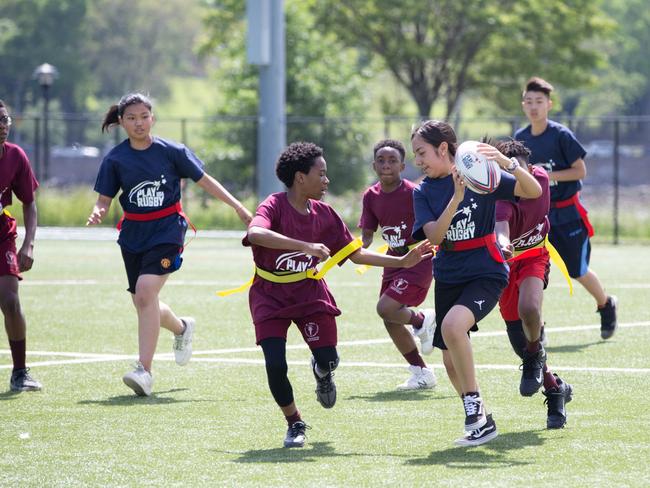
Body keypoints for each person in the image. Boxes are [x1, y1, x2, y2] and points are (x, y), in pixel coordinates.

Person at [244, 141, 432, 448]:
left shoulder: (325, 214)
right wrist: (304, 246)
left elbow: (355, 255)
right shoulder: (275, 205)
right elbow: (255, 234)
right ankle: (294, 422)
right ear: (300, 177)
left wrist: (400, 261)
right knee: (276, 365)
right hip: (269, 295)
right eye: (322, 173)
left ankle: (322, 371)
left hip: (309, 293)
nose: (327, 180)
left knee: (328, 360)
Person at [87, 93, 252, 397]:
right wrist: (98, 210)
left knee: (146, 292)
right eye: (132, 118)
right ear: (122, 122)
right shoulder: (115, 159)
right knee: (142, 301)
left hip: (167, 231)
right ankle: (181, 328)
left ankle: (144, 371)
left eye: (144, 116)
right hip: (133, 234)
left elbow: (205, 180)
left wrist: (237, 206)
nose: (139, 123)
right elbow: (104, 198)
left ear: (153, 118)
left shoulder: (172, 151)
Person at [411, 120, 542, 446]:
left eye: (421, 152)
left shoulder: (480, 174)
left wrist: (504, 162)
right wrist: (455, 199)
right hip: (449, 274)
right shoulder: (423, 191)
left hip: (486, 269)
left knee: (453, 327)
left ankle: (472, 407)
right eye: (415, 154)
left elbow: (533, 191)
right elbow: (436, 236)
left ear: (443, 148)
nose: (418, 161)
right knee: (448, 359)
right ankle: (482, 421)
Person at [515, 77, 617, 339]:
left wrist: (548, 177)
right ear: (523, 104)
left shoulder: (561, 135)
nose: (533, 106)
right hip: (539, 215)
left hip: (568, 214)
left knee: (577, 270)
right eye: (529, 101)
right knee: (533, 271)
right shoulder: (521, 138)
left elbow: (580, 170)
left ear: (549, 105)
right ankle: (539, 326)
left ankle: (605, 304)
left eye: (539, 101)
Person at [494, 139, 573, 429]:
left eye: (519, 168)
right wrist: (502, 245)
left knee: (530, 309)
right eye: (507, 169)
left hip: (534, 257)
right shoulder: (501, 196)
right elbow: (501, 227)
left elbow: (531, 190)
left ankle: (534, 356)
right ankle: (555, 389)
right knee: (519, 338)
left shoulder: (538, 179)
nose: (515, 175)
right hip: (505, 264)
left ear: (530, 167)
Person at [358, 139, 436, 390]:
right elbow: (368, 232)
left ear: (403, 166)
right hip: (394, 260)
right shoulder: (371, 195)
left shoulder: (415, 193)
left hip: (418, 257)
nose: (386, 165)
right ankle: (421, 372)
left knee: (385, 307)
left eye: (392, 160)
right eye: (381, 160)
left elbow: (432, 225)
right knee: (390, 318)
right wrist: (359, 244)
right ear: (373, 166)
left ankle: (423, 319)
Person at [0, 100, 41, 392]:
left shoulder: (15, 156)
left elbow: (29, 203)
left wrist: (29, 244)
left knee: (11, 301)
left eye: (4, 120)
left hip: (2, 234)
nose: (2, 126)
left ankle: (20, 373)